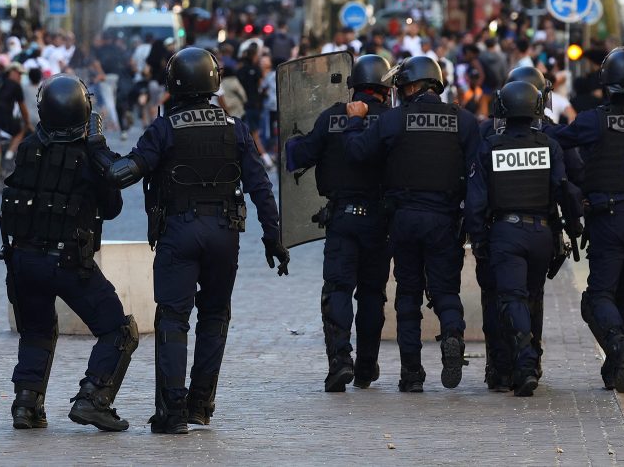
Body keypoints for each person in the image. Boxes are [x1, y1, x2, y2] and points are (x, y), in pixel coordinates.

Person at [99, 47, 287, 434]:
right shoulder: (235, 128)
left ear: (174, 85)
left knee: (173, 318)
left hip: (178, 234)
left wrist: (94, 148)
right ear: (213, 83)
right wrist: (274, 236)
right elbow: (260, 186)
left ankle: (172, 413)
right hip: (224, 233)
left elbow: (125, 173)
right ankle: (201, 406)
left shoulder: (164, 129)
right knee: (216, 316)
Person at [0, 75, 138, 432]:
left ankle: (26, 405)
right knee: (118, 331)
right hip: (69, 262)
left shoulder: (28, 146)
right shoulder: (90, 156)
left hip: (24, 260)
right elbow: (112, 207)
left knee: (37, 330)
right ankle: (93, 399)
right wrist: (98, 147)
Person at [343, 55, 479, 392]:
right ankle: (451, 333)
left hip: (403, 218)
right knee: (446, 290)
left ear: (413, 85)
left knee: (408, 295)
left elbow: (358, 153)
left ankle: (412, 374)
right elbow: (478, 173)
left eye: (402, 86)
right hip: (444, 219)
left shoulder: (393, 120)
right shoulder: (462, 120)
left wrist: (355, 121)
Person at [284, 55, 393, 391]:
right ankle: (365, 367)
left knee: (338, 290)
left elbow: (297, 158)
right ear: (385, 91)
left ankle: (339, 363)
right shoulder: (393, 120)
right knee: (373, 295)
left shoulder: (332, 117)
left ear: (353, 88)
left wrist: (293, 138)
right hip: (380, 221)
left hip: (342, 218)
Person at [553, 47, 624, 393]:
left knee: (598, 296)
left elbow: (553, 141)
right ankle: (619, 365)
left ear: (607, 82)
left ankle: (618, 344)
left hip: (608, 219)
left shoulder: (593, 120)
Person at [465, 81, 579, 396]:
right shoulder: (549, 146)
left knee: (511, 299)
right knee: (531, 297)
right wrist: (567, 230)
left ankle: (524, 364)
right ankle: (525, 365)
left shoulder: (491, 146)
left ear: (502, 108)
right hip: (541, 233)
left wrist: (478, 240)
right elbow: (562, 190)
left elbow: (476, 202)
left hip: (506, 233)